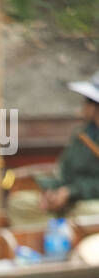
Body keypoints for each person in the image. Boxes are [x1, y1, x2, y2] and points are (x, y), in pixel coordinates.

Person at [7, 73, 99, 228]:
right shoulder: (82, 134)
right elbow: (65, 172)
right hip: (69, 201)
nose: (84, 106)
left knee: (88, 212)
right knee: (18, 204)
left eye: (89, 102)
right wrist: (51, 191)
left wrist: (72, 192)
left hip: (87, 203)